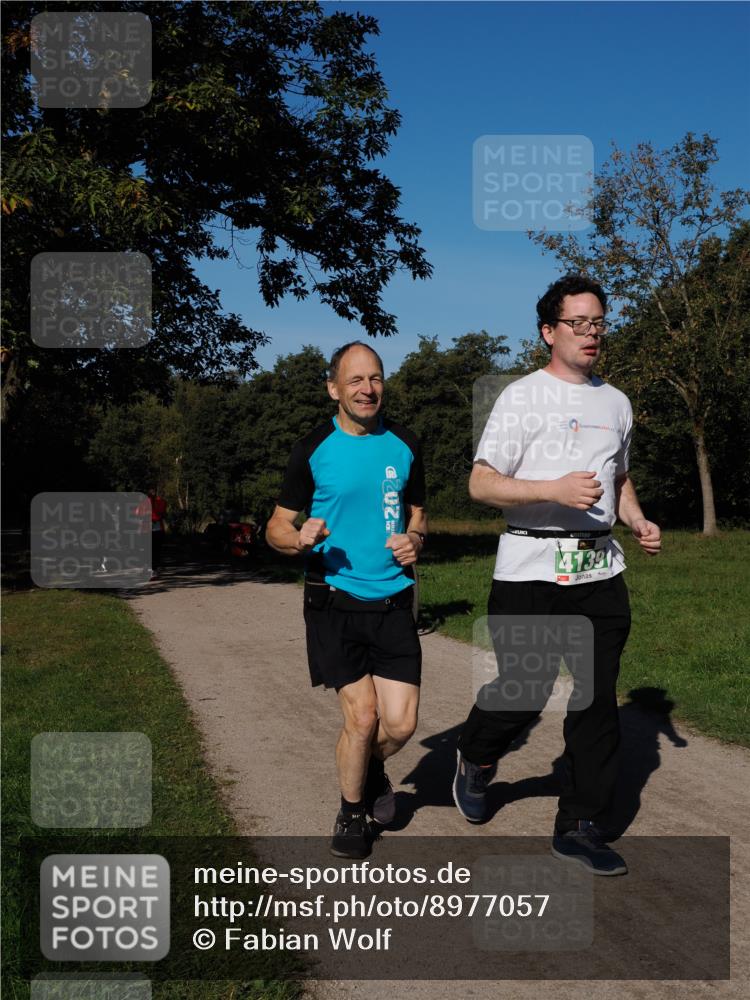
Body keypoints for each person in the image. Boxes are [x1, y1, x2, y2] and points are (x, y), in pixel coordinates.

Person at [453, 274, 661, 876]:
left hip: (599, 566)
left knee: (596, 700)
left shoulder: (617, 402)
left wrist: (638, 519)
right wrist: (554, 490)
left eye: (598, 322)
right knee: (524, 689)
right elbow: (481, 482)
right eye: (578, 323)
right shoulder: (522, 397)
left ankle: (580, 825)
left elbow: (618, 477)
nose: (591, 333)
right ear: (549, 331)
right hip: (530, 564)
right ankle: (476, 754)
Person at [266, 342, 427, 859]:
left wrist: (416, 539)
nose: (367, 389)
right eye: (355, 380)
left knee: (400, 724)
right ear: (334, 388)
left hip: (395, 600)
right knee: (361, 718)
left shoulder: (404, 443)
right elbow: (274, 527)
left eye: (375, 378)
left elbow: (418, 512)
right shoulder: (312, 450)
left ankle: (370, 770)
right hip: (334, 599)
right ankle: (351, 811)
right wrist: (298, 539)